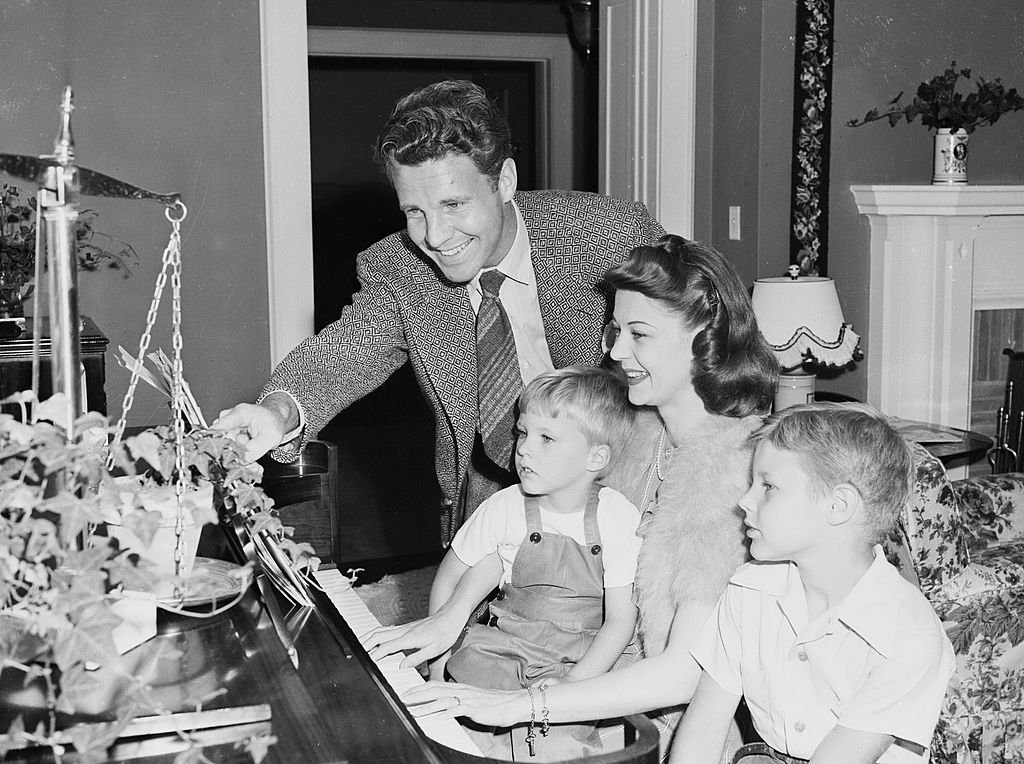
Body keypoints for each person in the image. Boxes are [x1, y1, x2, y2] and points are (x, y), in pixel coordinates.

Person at [369, 235, 779, 754]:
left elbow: (682, 676)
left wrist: (526, 707)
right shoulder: (634, 432)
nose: (614, 350)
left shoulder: (737, 470)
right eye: (616, 330)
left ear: (704, 338)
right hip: (568, 673)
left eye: (640, 334)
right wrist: (451, 618)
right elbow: (532, 534)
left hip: (659, 727)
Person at [213, 79, 665, 542]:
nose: (434, 236)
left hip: (625, 488)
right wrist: (277, 411)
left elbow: (702, 337)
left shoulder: (608, 233)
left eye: (453, 204)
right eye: (414, 211)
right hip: (489, 504)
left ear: (504, 181)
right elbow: (341, 357)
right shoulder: (399, 269)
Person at [673, 403, 955, 764]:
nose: (745, 501)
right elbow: (703, 731)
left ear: (838, 506)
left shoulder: (907, 637)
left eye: (768, 486)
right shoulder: (750, 589)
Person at [436, 365, 641, 760]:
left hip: (574, 661)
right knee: (464, 740)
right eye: (523, 433)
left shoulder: (617, 517)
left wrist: (576, 685)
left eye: (547, 438)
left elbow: (619, 620)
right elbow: (449, 580)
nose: (525, 448)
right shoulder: (504, 506)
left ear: (596, 457)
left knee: (558, 748)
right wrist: (438, 665)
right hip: (500, 651)